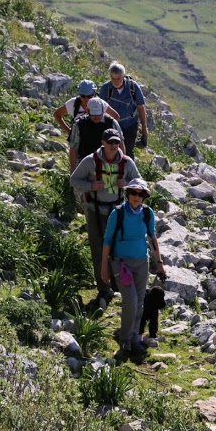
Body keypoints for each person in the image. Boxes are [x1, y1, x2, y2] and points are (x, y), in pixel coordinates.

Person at [70, 129, 140, 307]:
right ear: (103, 142)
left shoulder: (126, 162)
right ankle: (103, 287)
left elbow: (140, 184)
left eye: (116, 143)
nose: (113, 146)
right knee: (97, 249)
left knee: (118, 249)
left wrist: (128, 185)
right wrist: (90, 185)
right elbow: (74, 180)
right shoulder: (90, 161)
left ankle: (118, 284)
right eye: (110, 142)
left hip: (117, 211)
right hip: (94, 211)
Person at [101, 178, 166, 357]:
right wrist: (104, 267)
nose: (137, 197)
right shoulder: (118, 213)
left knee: (139, 302)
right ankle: (125, 340)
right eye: (134, 193)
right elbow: (107, 240)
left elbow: (152, 238)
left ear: (144, 196)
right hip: (120, 262)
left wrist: (159, 263)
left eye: (141, 194)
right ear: (128, 193)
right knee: (130, 300)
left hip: (141, 262)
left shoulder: (147, 213)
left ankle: (134, 339)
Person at [99, 62, 148, 160]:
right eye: (113, 79)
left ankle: (127, 172)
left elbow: (141, 107)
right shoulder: (106, 88)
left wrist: (144, 129)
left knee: (128, 151)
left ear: (124, 76)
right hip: (112, 125)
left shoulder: (133, 87)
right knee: (111, 150)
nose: (116, 82)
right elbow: (101, 108)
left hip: (130, 125)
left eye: (118, 79)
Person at [69, 97, 125, 173]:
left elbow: (120, 144)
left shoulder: (112, 123)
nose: (96, 117)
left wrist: (122, 167)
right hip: (84, 162)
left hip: (109, 163)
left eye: (98, 114)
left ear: (103, 110)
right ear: (87, 110)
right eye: (94, 114)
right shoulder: (79, 125)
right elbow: (73, 148)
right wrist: (73, 169)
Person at [53, 79, 120, 136]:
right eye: (83, 96)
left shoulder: (100, 103)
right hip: (79, 140)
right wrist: (69, 131)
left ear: (93, 94)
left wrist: (107, 133)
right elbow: (57, 114)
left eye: (89, 96)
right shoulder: (73, 103)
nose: (86, 98)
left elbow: (116, 116)